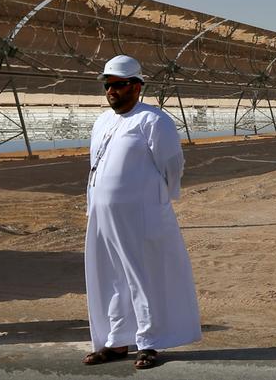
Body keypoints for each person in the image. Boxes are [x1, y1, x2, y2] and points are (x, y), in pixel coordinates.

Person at [82, 55, 201, 369]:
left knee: (143, 276)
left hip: (142, 214)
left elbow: (172, 165)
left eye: (119, 84)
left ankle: (148, 342)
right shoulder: (102, 121)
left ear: (136, 86)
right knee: (110, 278)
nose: (111, 90)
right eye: (108, 85)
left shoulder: (154, 120)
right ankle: (116, 341)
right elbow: (95, 166)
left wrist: (162, 197)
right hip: (103, 215)